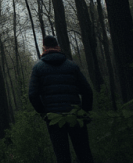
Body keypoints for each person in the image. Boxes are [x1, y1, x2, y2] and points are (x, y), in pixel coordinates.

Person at [28, 35, 95, 163]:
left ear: (44, 47)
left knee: (62, 156)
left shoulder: (38, 68)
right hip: (75, 115)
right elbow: (87, 91)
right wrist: (84, 112)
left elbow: (32, 95)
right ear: (57, 46)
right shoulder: (71, 66)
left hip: (54, 118)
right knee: (84, 154)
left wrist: (44, 114)